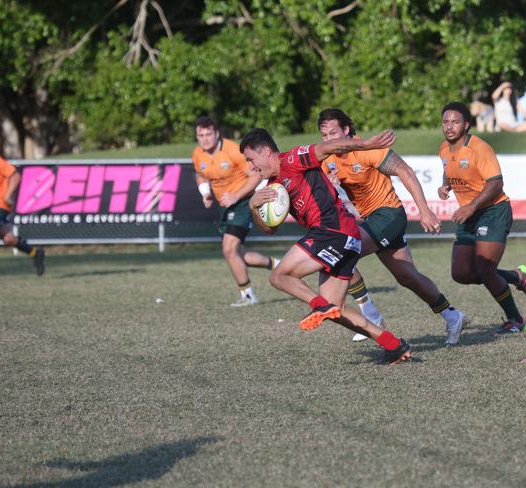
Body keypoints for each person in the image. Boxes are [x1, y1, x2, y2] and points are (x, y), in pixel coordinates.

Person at [241, 128, 412, 365]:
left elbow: (330, 148)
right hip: (346, 238)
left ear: (267, 152)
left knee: (279, 277)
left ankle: (318, 306)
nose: (251, 166)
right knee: (336, 310)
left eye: (251, 159)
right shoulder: (272, 188)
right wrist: (253, 207)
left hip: (333, 230)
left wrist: (367, 143)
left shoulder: (292, 158)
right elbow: (270, 229)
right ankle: (393, 345)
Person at [318, 108, 468, 345]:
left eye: (333, 133)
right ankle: (452, 315)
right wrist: (329, 183)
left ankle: (371, 315)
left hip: (389, 215)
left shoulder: (367, 149)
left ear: (346, 130)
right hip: (371, 221)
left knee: (340, 251)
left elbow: (404, 171)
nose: (329, 140)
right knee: (407, 276)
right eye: (324, 136)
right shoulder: (328, 159)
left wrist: (425, 210)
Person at [438, 102, 526, 333]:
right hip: (469, 215)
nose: (449, 126)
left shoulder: (479, 148)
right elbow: (448, 167)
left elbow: (496, 183)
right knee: (461, 273)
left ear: (467, 125)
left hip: (493, 211)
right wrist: (445, 186)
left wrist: (471, 206)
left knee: (484, 268)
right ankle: (516, 276)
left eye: (455, 122)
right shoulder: (444, 148)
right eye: (445, 122)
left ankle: (516, 319)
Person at [192, 117, 278, 307]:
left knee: (229, 249)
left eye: (208, 134)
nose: (205, 139)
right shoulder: (198, 154)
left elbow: (255, 175)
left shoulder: (232, 150)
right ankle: (278, 265)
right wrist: (205, 192)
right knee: (238, 255)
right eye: (200, 135)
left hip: (243, 201)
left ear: (216, 134)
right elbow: (200, 175)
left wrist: (236, 196)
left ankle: (247, 295)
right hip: (225, 205)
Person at [0, 130, 45, 281]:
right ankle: (35, 253)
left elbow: (15, 175)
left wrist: (7, 195)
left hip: (0, 204)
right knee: (9, 239)